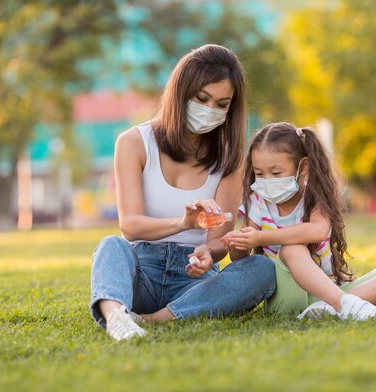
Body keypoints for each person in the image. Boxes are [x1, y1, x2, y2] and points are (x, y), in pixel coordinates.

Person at [89, 44, 276, 342]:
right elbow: (130, 226)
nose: (209, 111)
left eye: (221, 104)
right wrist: (185, 223)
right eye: (202, 99)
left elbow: (219, 244)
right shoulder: (134, 142)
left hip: (194, 282)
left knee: (261, 268)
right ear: (180, 92)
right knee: (110, 246)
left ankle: (155, 319)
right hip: (143, 273)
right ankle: (116, 318)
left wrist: (207, 253)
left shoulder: (229, 159)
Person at [222, 122, 376, 321]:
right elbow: (239, 258)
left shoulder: (316, 196)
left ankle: (328, 308)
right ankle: (344, 305)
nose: (267, 180)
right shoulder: (257, 202)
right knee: (292, 249)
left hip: (329, 289)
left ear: (302, 167)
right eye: (259, 174)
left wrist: (261, 236)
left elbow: (317, 231)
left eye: (276, 173)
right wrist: (238, 243)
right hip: (287, 297)